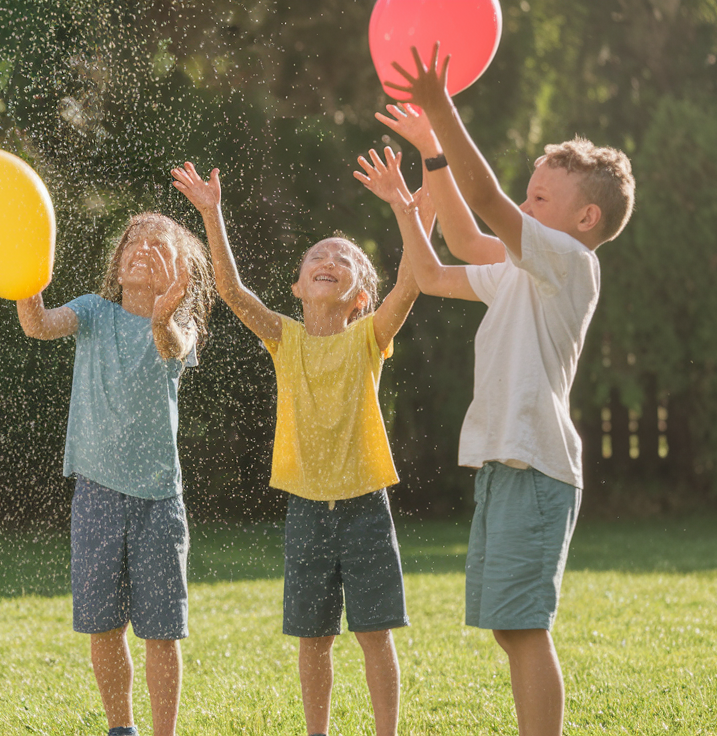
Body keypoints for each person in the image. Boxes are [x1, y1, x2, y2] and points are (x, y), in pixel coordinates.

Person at [378, 44, 636, 736]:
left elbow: (487, 205)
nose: (523, 204)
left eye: (541, 197)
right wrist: (419, 189)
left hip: (537, 465)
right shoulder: (521, 271)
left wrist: (440, 109)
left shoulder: (572, 264)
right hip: (504, 460)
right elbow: (445, 260)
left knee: (523, 629)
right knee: (507, 626)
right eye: (528, 193)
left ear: (585, 219)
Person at [172, 153, 428, 736]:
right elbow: (234, 292)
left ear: (361, 295)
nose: (329, 260)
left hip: (365, 504)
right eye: (317, 257)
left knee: (373, 633)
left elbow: (411, 284)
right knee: (313, 639)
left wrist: (408, 213)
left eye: (343, 260)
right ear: (298, 286)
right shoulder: (284, 339)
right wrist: (212, 213)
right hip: (306, 508)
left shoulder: (369, 336)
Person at [16, 212, 214, 736]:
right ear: (117, 261)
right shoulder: (93, 312)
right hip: (97, 493)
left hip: (158, 501)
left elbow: (172, 349)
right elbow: (37, 324)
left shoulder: (180, 326)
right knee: (103, 626)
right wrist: (22, 273)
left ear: (181, 272)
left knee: (161, 632)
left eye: (157, 245)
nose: (140, 249)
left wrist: (162, 317)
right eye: (132, 242)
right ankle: (120, 729)